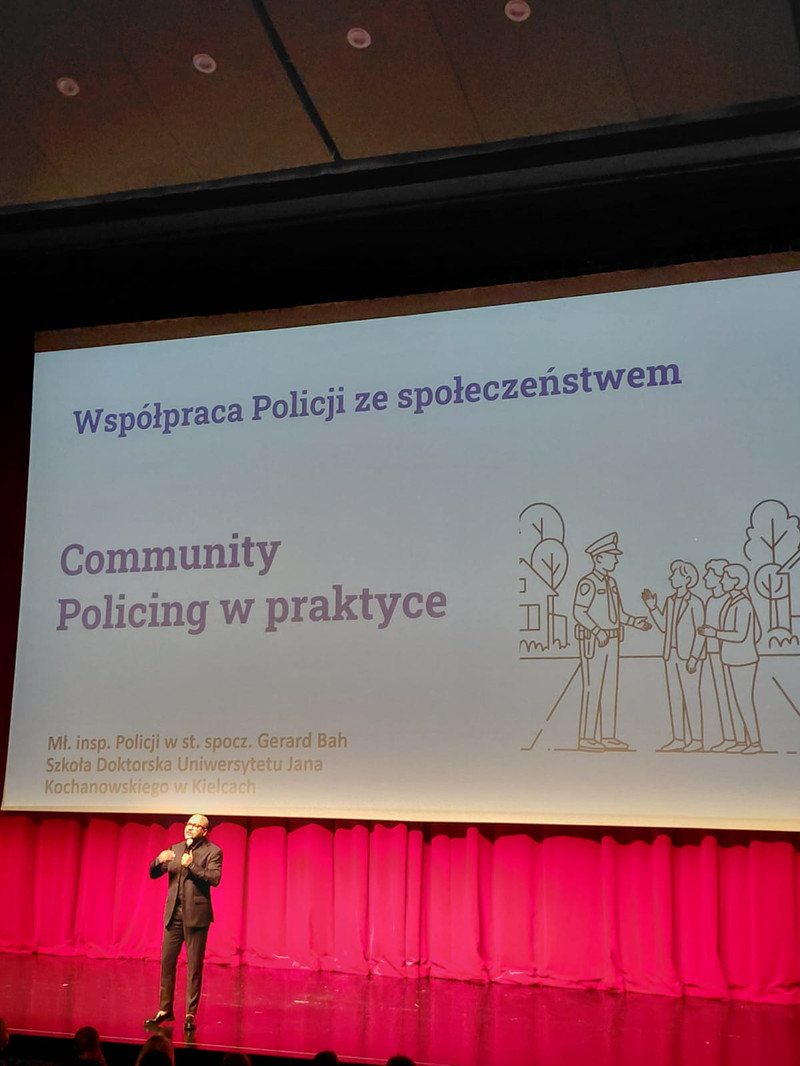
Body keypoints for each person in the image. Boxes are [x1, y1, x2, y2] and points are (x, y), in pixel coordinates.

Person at [572, 532, 650, 751]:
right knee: (593, 688)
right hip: (595, 642)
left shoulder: (611, 582)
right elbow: (579, 612)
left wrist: (635, 622)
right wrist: (598, 632)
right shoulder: (587, 583)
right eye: (611, 556)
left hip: (613, 640)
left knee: (609, 688)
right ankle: (587, 737)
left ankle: (608, 736)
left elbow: (618, 614)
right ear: (599, 558)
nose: (615, 560)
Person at [145, 814, 223, 1031]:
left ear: (204, 832)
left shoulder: (213, 851)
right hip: (174, 915)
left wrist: (192, 866)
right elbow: (153, 873)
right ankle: (164, 1009)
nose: (190, 828)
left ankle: (190, 1013)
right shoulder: (176, 848)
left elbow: (214, 879)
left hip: (196, 916)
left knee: (194, 966)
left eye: (196, 826)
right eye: (189, 824)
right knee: (167, 963)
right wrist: (158, 860)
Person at [699, 563, 763, 754]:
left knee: (744, 700)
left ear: (736, 581)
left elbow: (740, 635)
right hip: (731, 658)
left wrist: (714, 633)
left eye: (726, 577)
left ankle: (755, 743)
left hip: (743, 660)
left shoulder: (743, 604)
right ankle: (741, 741)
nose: (722, 580)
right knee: (735, 700)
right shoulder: (733, 602)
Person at [642, 560, 706, 751]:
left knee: (691, 696)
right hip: (671, 655)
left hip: (689, 658)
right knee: (675, 696)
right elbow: (664, 626)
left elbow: (701, 633)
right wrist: (652, 607)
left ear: (687, 579)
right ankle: (678, 738)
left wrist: (694, 657)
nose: (671, 577)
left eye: (675, 575)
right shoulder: (670, 601)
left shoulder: (695, 602)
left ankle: (696, 740)